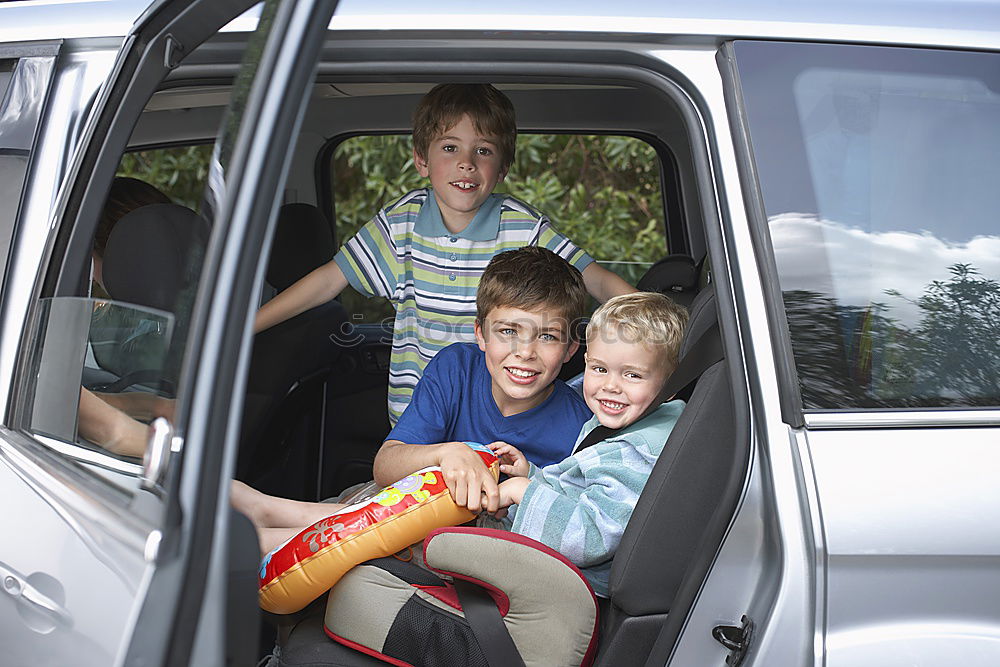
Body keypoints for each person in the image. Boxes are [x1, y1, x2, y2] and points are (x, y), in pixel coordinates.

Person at [254, 83, 634, 424]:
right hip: (418, 412)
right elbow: (327, 280)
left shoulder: (522, 226)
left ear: (502, 167)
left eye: (483, 150)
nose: (466, 162)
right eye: (450, 147)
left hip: (496, 414)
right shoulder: (402, 222)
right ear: (422, 160)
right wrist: (246, 327)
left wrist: (659, 326)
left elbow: (593, 278)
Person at [235, 246, 593, 553]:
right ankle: (272, 518)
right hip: (408, 502)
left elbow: (570, 522)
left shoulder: (579, 426)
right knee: (408, 495)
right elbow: (386, 466)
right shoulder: (457, 368)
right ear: (480, 334)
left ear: (570, 349)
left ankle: (273, 526)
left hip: (477, 543)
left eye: (547, 336)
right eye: (508, 331)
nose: (525, 352)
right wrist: (446, 452)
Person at [488, 291, 688, 596]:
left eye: (632, 375)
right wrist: (531, 475)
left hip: (574, 590)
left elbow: (590, 536)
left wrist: (523, 492)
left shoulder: (635, 454)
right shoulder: (622, 422)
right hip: (560, 567)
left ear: (671, 384)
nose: (610, 386)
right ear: (586, 362)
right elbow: (580, 493)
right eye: (600, 369)